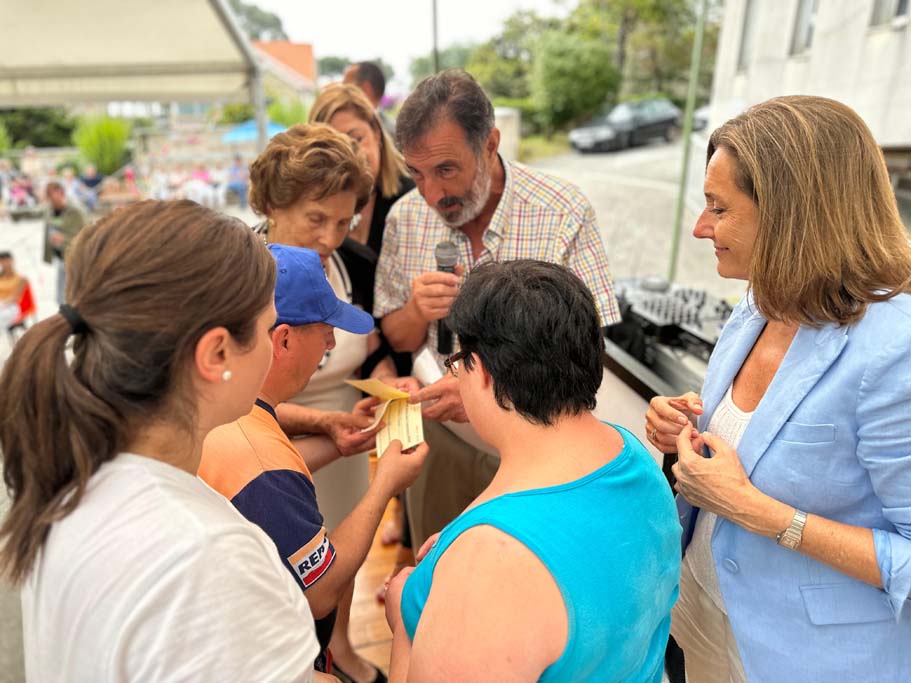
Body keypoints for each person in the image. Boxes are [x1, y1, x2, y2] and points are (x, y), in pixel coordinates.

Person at [0, 200, 336, 682]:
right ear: (217, 352)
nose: (271, 347)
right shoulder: (208, 557)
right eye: (266, 329)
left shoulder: (70, 480)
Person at [644, 96, 911, 682]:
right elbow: (762, 436)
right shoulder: (758, 305)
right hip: (706, 617)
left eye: (719, 208)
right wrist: (689, 424)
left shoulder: (896, 350)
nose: (699, 227)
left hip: (809, 658)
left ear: (792, 214)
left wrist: (756, 511)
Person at [383, 260, 680, 681]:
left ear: (482, 372)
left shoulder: (491, 563)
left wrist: (402, 622)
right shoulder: (633, 457)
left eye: (458, 362)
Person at [374, 68, 621, 548]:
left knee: (527, 578)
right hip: (440, 436)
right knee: (438, 569)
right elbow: (398, 338)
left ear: (490, 143)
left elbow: (588, 353)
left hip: (538, 439)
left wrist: (476, 393)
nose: (432, 195)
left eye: (446, 169)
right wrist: (416, 312)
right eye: (416, 174)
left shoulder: (563, 211)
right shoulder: (406, 218)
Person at [199, 244, 428, 677]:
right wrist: (386, 484)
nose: (332, 342)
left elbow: (254, 477)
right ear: (283, 338)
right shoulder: (262, 464)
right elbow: (322, 589)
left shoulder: (222, 403)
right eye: (325, 330)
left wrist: (339, 440)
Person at [249, 122, 409, 683]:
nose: (329, 237)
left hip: (343, 444)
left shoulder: (356, 265)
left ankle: (338, 649)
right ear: (273, 202)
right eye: (315, 218)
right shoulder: (237, 274)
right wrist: (324, 423)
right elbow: (239, 399)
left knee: (338, 557)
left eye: (343, 222)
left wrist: (389, 386)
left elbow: (373, 348)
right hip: (269, 449)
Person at [310, 83, 418, 569]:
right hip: (349, 367)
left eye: (358, 137)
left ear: (378, 134)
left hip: (384, 354)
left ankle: (405, 531)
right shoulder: (275, 260)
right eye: (337, 140)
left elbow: (377, 326)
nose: (351, 151)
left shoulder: (408, 204)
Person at [44, 181, 88, 305]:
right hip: (60, 258)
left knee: (75, 297)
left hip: (75, 259)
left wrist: (65, 239)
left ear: (60, 192)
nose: (49, 197)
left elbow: (88, 235)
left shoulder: (77, 211)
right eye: (47, 194)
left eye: (50, 194)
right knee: (60, 298)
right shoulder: (50, 211)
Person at [343, 62, 394, 135]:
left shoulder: (391, 133)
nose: (341, 93)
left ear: (366, 89)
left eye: (347, 88)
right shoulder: (395, 130)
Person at [0, 251, 26, 329]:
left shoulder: (21, 279)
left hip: (12, 307)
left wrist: (2, 304)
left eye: (7, 260)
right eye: (2, 261)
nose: (5, 264)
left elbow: (16, 297)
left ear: (12, 261)